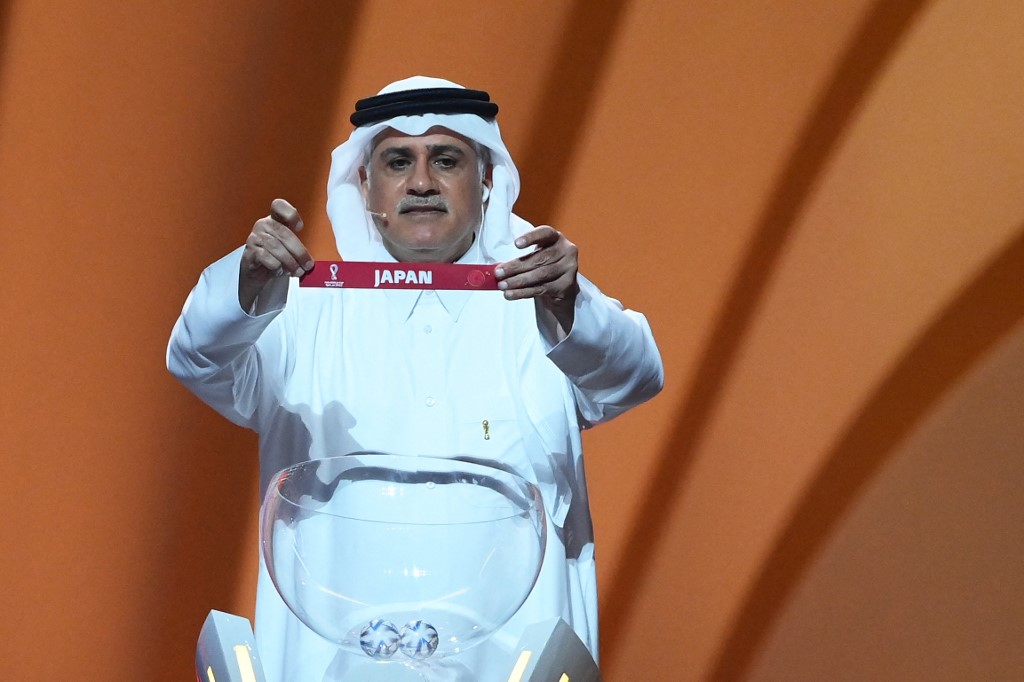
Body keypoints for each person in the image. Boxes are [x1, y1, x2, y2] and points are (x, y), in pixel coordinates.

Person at [168, 75, 663, 681]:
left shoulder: (543, 304)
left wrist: (567, 303)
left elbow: (634, 376)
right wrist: (246, 283)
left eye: (446, 160)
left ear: (486, 181)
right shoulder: (300, 311)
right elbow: (196, 359)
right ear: (365, 184)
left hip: (506, 664)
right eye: (398, 161)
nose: (422, 183)